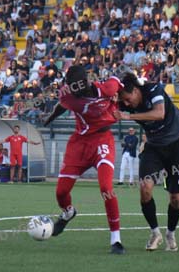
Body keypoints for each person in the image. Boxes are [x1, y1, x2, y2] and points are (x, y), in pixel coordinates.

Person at [42, 65, 124, 254]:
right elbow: (63, 105)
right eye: (70, 87)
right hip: (79, 143)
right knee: (61, 192)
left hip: (102, 140)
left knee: (106, 188)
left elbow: (123, 86)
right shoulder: (68, 94)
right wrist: (50, 117)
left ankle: (116, 239)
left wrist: (119, 103)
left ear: (85, 82)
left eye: (76, 87)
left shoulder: (107, 88)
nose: (73, 91)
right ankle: (68, 213)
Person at [116, 72, 179, 252]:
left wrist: (128, 117)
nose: (126, 104)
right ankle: (155, 233)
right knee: (145, 188)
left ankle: (170, 233)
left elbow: (159, 113)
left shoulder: (153, 89)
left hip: (176, 145)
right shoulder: (124, 102)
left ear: (135, 91)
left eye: (128, 99)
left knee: (176, 198)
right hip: (153, 147)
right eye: (123, 101)